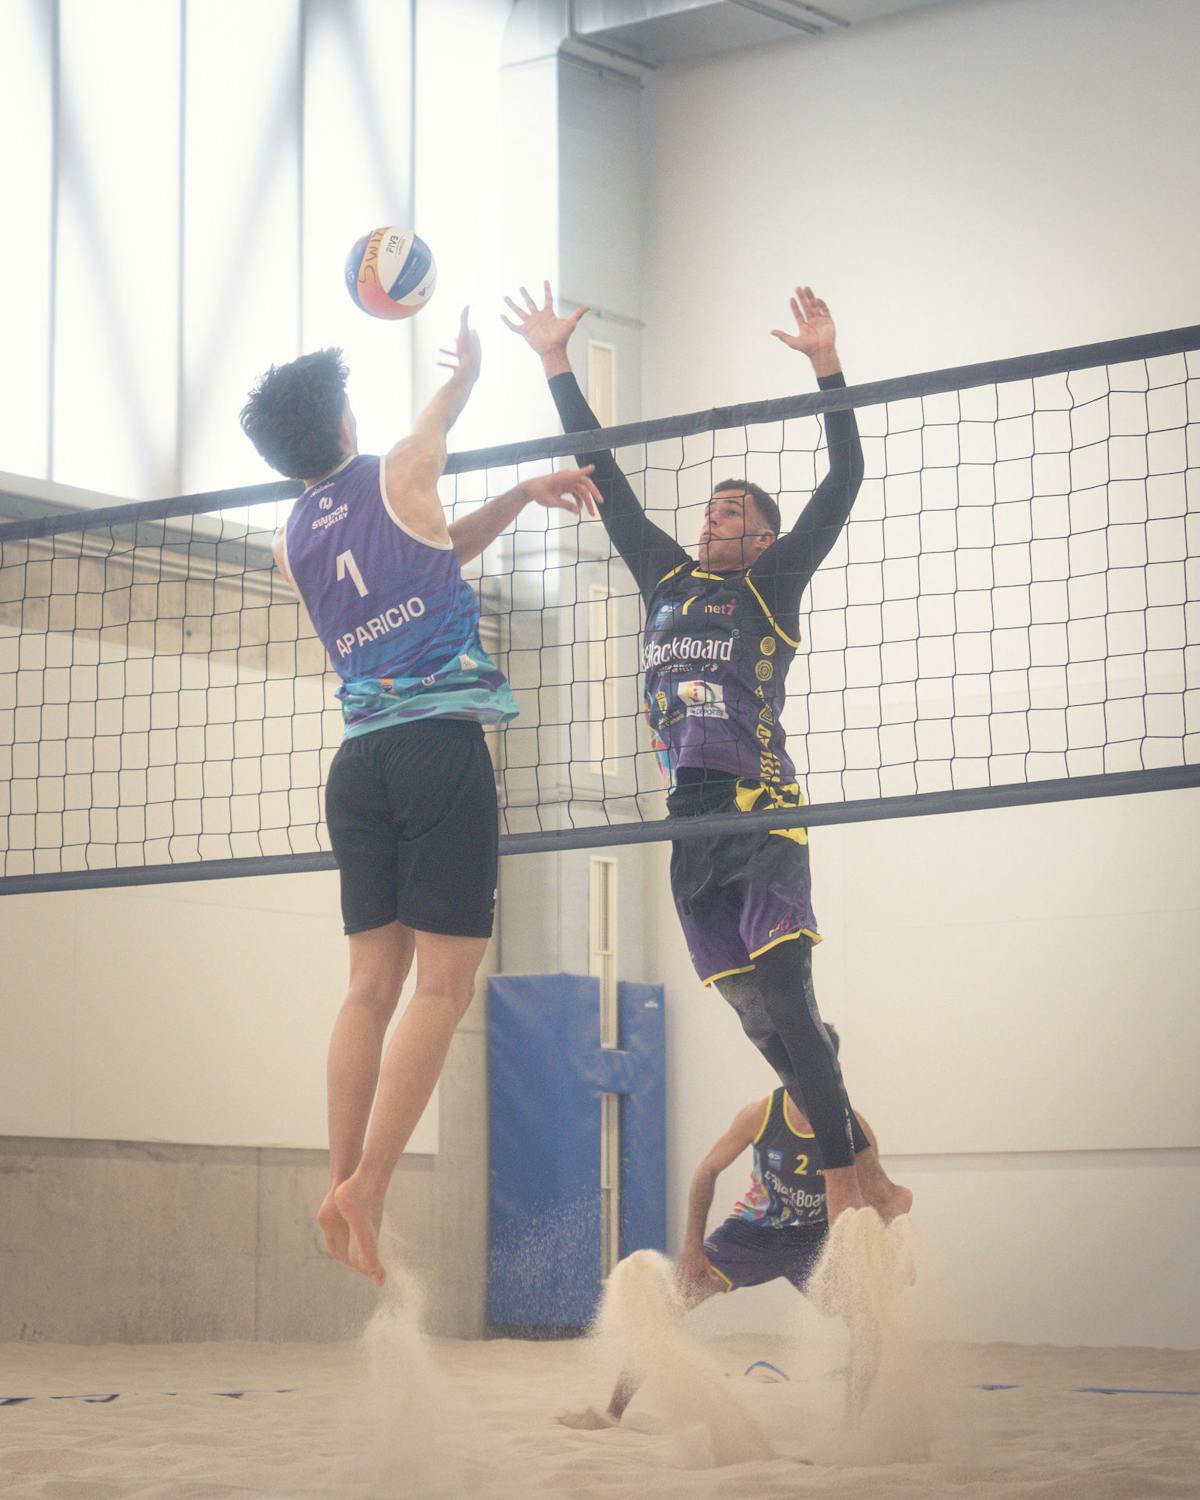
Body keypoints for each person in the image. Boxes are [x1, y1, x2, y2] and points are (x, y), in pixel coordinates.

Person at [504, 282, 908, 1224]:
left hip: (759, 805)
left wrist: (826, 367)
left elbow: (843, 482)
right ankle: (876, 1171)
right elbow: (603, 480)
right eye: (711, 508)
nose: (710, 517)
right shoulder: (666, 579)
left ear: (761, 536)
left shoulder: (772, 583)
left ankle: (848, 1188)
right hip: (688, 826)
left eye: (729, 511)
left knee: (789, 996)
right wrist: (555, 363)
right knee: (767, 1026)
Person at [241, 310, 602, 1283]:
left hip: (358, 765)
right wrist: (471, 369)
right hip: (436, 752)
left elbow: (436, 544)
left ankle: (339, 1181)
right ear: (349, 422)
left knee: (370, 986)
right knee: (443, 986)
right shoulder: (402, 464)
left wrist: (524, 495)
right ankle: (371, 1188)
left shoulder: (290, 541)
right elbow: (441, 430)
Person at [558, 1027, 903, 1429]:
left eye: (817, 1068)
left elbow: (878, 1202)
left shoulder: (854, 1129)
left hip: (814, 1239)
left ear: (835, 1070)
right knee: (668, 1305)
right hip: (751, 1233)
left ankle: (851, 1429)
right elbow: (707, 1170)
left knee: (869, 1322)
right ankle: (613, 1412)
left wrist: (888, 1253)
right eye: (797, 1067)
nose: (806, 1077)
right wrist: (692, 1246)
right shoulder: (761, 1113)